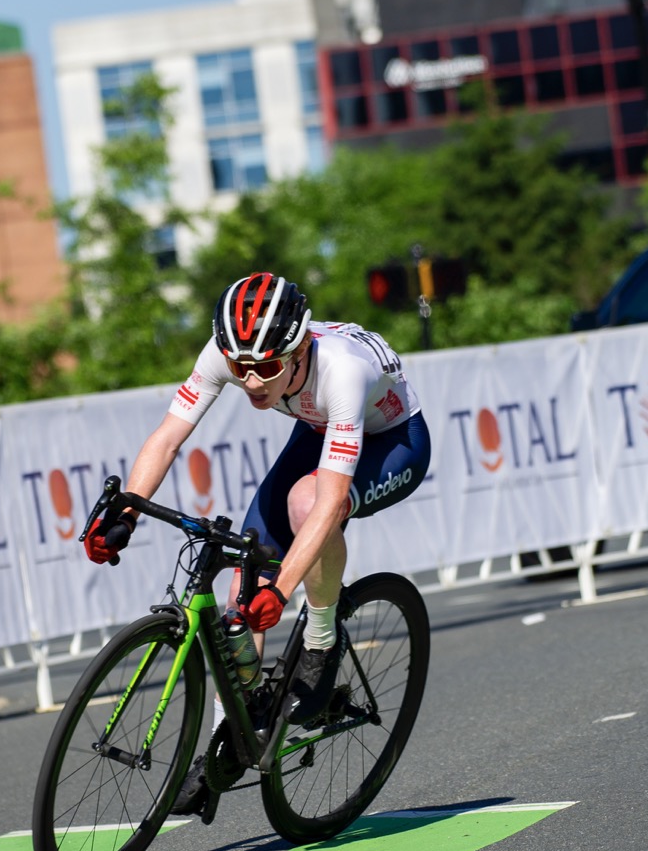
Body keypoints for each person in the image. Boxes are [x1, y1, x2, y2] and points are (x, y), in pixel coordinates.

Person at [84, 271, 431, 815]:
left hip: (393, 441)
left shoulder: (342, 372)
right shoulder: (233, 353)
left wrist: (284, 588)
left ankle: (321, 639)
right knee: (241, 595)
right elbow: (168, 437)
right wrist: (124, 512)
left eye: (267, 369)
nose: (250, 381)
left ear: (298, 351)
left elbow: (326, 503)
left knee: (307, 505)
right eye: (240, 366)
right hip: (316, 428)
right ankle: (226, 744)